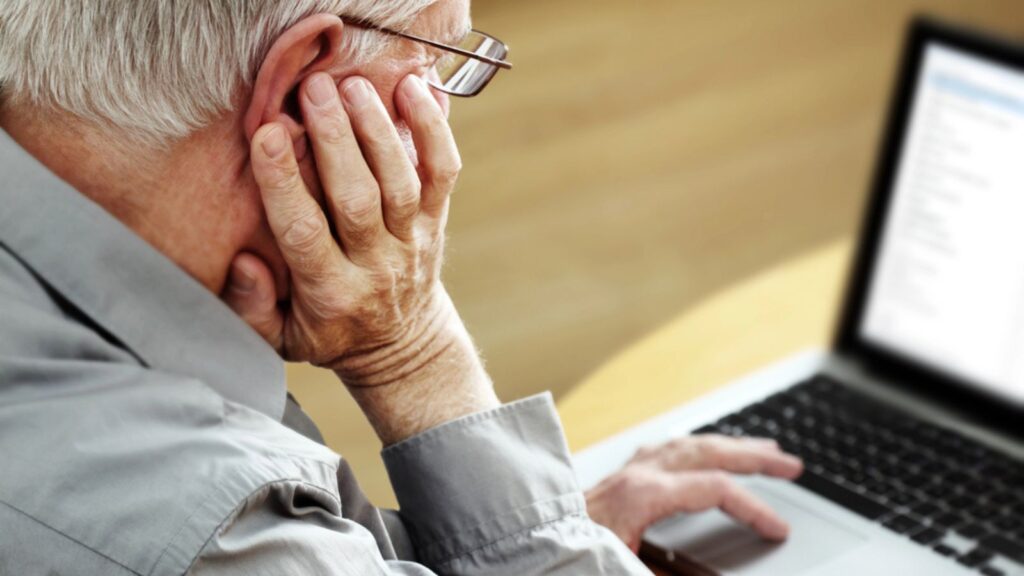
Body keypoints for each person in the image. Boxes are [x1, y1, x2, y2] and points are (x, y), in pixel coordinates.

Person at [0, 1, 803, 574]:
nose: (443, 121)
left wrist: (529, 531)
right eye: (437, 61)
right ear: (303, 88)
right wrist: (413, 353)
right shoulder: (230, 536)